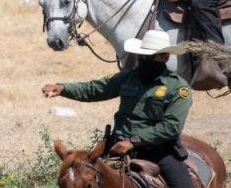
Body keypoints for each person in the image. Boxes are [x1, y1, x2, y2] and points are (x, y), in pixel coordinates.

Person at [42, 30, 194, 188]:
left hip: (159, 151)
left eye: (149, 57)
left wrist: (133, 141)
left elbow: (172, 126)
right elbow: (95, 89)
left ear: (165, 57)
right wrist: (63, 88)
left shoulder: (177, 88)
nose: (143, 60)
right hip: (117, 148)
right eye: (140, 56)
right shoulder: (127, 78)